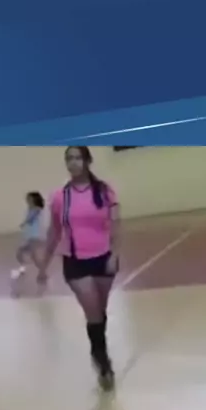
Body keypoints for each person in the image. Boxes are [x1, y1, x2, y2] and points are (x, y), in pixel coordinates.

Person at [38, 146, 120, 390]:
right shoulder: (59, 197)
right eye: (69, 159)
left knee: (100, 312)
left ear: (87, 161)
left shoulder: (104, 191)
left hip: (103, 258)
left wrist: (114, 254)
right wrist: (43, 265)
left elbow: (115, 224)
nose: (73, 163)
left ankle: (98, 346)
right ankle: (102, 360)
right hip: (75, 262)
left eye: (77, 158)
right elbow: (54, 232)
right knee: (92, 311)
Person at [11, 192, 46, 279]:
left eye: (29, 198)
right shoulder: (29, 209)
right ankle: (23, 268)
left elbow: (31, 219)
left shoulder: (37, 209)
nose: (27, 200)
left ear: (34, 199)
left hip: (35, 236)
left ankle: (43, 273)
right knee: (20, 253)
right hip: (29, 236)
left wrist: (24, 223)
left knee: (33, 256)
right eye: (27, 198)